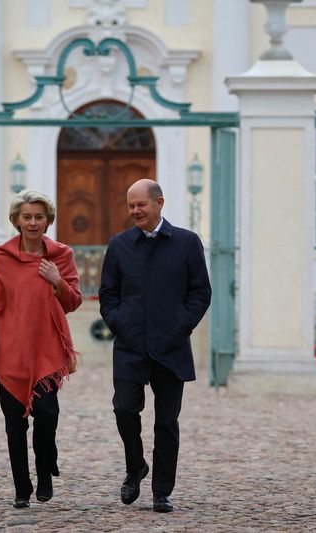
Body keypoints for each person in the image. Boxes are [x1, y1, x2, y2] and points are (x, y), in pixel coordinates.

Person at [98, 178, 211, 513]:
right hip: (130, 345)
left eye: (141, 205)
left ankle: (162, 490)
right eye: (131, 205)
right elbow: (108, 295)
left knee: (166, 422)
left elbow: (200, 293)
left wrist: (180, 325)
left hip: (171, 346)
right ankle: (136, 467)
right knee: (124, 409)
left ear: (159, 202)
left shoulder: (188, 243)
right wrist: (120, 322)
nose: (135, 211)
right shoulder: (119, 246)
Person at [0, 190, 83, 509]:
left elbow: (73, 301)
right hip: (10, 350)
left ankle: (45, 470)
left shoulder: (61, 255)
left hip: (47, 349)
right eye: (27, 217)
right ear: (16, 221)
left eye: (39, 217)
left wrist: (57, 281)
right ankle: (22, 488)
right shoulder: (3, 256)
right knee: (15, 424)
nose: (33, 222)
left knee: (48, 413)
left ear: (48, 221)